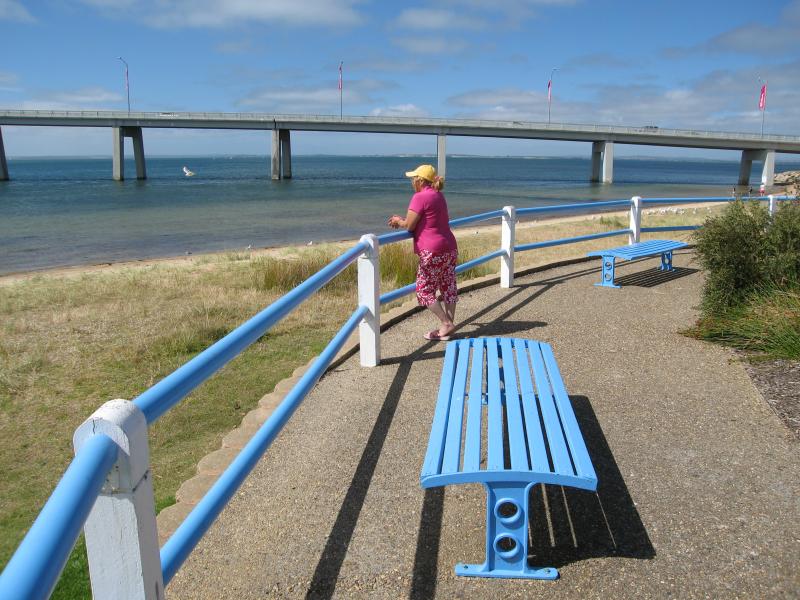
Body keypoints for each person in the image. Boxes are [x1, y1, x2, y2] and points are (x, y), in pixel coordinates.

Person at [388, 164, 458, 341]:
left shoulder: (419, 197)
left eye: (413, 178)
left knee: (423, 290)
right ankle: (447, 326)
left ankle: (446, 323)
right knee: (447, 285)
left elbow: (410, 225)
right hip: (449, 247)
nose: (412, 182)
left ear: (420, 180)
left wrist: (398, 221)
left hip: (432, 250)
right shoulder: (439, 196)